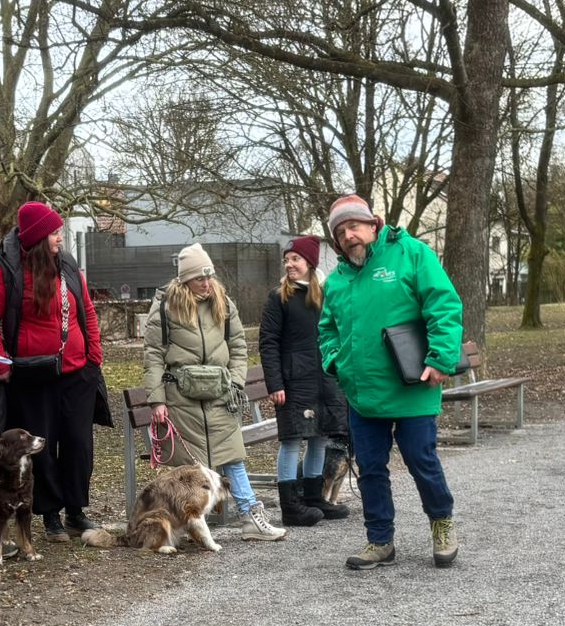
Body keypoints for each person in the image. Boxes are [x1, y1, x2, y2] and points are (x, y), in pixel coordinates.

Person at [317, 194, 463, 570]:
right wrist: (338, 363)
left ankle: (442, 523)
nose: (349, 235)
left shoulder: (411, 253)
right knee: (371, 469)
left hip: (414, 385)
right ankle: (380, 539)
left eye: (354, 226)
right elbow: (327, 330)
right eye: (341, 231)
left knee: (421, 461)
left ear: (373, 224)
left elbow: (443, 305)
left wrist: (442, 358)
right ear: (336, 240)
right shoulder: (335, 282)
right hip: (363, 394)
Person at [0, 201, 105, 537]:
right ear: (37, 238)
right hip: (33, 376)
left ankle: (76, 511)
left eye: (60, 231)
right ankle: (50, 515)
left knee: (78, 443)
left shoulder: (68, 266)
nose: (60, 238)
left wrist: (95, 356)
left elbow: (86, 312)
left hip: (78, 373)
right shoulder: (8, 272)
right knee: (43, 449)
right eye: (54, 233)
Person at [143, 245, 285, 540]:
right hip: (182, 399)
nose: (206, 283)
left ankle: (250, 516)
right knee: (189, 468)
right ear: (185, 280)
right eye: (199, 278)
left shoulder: (223, 302)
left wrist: (235, 382)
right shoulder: (165, 307)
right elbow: (154, 354)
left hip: (221, 395)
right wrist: (157, 399)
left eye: (209, 276)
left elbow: (238, 346)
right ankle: (187, 525)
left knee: (232, 457)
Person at [260, 235, 349, 526]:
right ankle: (290, 507)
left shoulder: (325, 294)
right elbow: (268, 343)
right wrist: (275, 384)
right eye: (287, 260)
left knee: (320, 437)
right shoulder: (279, 298)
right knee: (292, 440)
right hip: (294, 381)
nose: (289, 264)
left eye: (295, 259)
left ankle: (313, 497)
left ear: (309, 262)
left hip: (323, 379)